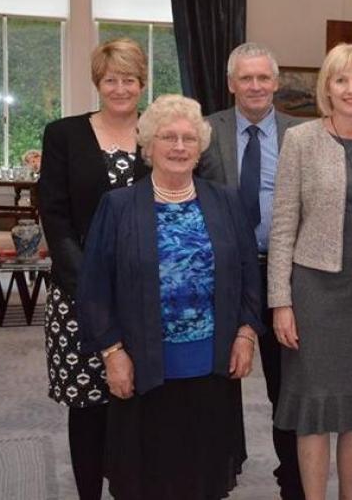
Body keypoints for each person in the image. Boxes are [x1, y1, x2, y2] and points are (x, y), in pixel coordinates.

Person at [77, 94, 263, 500]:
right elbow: (94, 288)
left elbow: (250, 276)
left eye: (188, 139)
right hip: (144, 368)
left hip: (211, 366)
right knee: (148, 476)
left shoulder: (226, 202)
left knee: (203, 473)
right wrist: (112, 353)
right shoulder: (118, 206)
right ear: (148, 146)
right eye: (168, 137)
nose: (179, 147)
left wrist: (246, 335)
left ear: (200, 148)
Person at [267, 43, 352, 500]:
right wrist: (281, 303)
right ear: (327, 87)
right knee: (313, 408)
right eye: (341, 80)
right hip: (314, 292)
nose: (351, 89)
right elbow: (283, 224)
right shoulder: (301, 140)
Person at [38, 38, 151, 500]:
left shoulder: (159, 134)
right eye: (111, 80)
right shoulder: (63, 134)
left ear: (142, 84)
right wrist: (89, 286)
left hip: (145, 294)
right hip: (77, 294)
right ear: (97, 83)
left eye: (128, 79)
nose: (120, 88)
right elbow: (55, 214)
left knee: (139, 403)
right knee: (88, 406)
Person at [198, 42, 305, 499]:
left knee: (288, 385)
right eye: (246, 78)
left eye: (264, 77)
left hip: (286, 276)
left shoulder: (304, 133)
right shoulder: (205, 131)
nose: (256, 86)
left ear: (276, 82)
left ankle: (293, 479)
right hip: (224, 276)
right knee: (218, 380)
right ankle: (215, 474)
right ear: (231, 84)